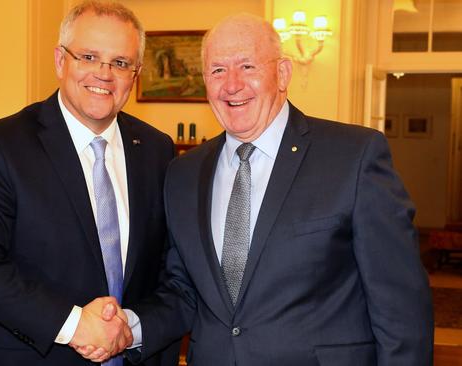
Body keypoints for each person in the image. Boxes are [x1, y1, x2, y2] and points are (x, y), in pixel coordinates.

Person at [83, 13, 434, 365]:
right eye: (218, 70)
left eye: (247, 66)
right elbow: (183, 289)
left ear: (282, 74)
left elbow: (401, 308)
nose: (232, 84)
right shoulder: (183, 174)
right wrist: (131, 327)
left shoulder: (352, 157)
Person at [0, 1, 179, 365]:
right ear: (60, 60)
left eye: (120, 62)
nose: (104, 74)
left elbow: (171, 269)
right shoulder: (2, 145)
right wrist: (75, 324)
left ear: (136, 73)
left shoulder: (157, 150)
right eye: (88, 56)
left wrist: (131, 327)